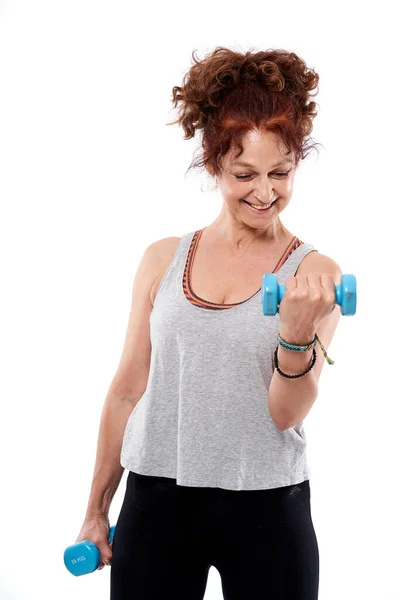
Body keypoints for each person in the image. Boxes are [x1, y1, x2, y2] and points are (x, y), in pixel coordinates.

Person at [75, 46, 342, 600]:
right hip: (156, 500)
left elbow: (285, 412)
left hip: (269, 503)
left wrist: (296, 335)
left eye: (281, 172)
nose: (265, 192)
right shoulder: (162, 259)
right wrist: (96, 510)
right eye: (244, 173)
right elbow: (128, 390)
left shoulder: (314, 275)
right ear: (213, 160)